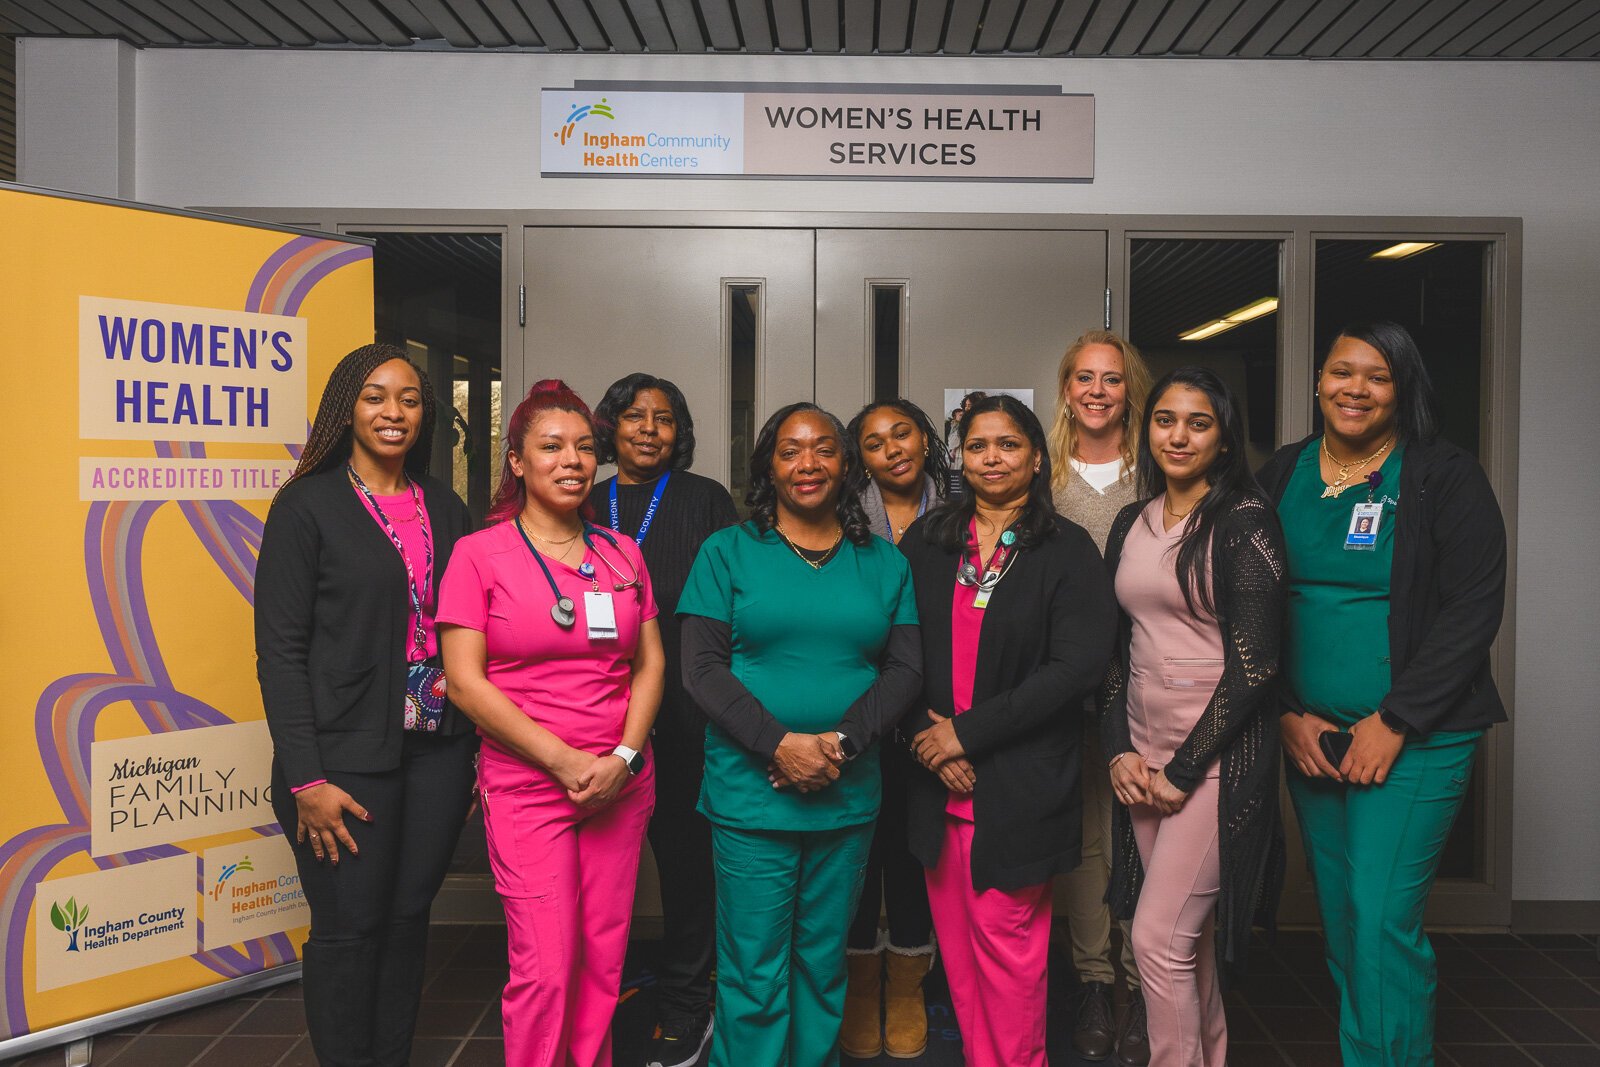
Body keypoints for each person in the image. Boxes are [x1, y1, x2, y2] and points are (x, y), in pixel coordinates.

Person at [1257, 321, 1508, 1066]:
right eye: (1342, 371)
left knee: (1379, 920)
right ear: (1317, 381)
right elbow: (1252, 604)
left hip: (1414, 736)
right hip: (1311, 733)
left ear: (1403, 389)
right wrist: (1285, 714)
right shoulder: (1284, 472)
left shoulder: (1443, 476)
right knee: (1342, 918)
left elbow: (1473, 611)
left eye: (1377, 375)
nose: (1355, 388)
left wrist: (1395, 720)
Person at [678, 402, 922, 1067]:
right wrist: (778, 743)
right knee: (753, 966)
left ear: (847, 464)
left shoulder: (884, 563)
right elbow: (700, 668)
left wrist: (838, 745)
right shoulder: (726, 551)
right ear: (767, 467)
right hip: (751, 792)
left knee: (822, 961)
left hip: (846, 790)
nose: (806, 463)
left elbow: (905, 670)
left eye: (822, 449)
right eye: (789, 450)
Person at [255, 343, 477, 1067]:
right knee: (351, 927)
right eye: (377, 396)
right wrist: (306, 780)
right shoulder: (307, 505)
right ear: (347, 406)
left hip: (438, 749)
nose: (394, 412)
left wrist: (473, 750)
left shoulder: (446, 507)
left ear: (427, 414)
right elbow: (280, 653)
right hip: (342, 759)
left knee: (409, 918)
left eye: (409, 399)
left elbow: (470, 634)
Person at [437, 379, 664, 1067]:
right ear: (517, 461)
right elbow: (466, 683)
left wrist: (622, 758)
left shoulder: (623, 552)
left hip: (620, 783)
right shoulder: (479, 554)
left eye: (584, 448)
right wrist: (566, 763)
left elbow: (651, 665)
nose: (571, 460)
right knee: (546, 963)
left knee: (602, 954)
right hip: (531, 783)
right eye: (551, 446)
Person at [900, 393, 1117, 1067]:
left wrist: (966, 734)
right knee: (960, 958)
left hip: (1017, 784)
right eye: (978, 445)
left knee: (1009, 956)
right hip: (938, 784)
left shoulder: (1067, 548)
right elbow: (889, 652)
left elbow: (1077, 667)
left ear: (1034, 457)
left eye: (1008, 444)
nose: (992, 457)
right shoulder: (929, 540)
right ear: (961, 457)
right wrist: (925, 737)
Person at [1100, 367, 1287, 1067]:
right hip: (1144, 760)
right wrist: (1120, 749)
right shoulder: (1133, 519)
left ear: (1224, 436)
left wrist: (1183, 767)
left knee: (1156, 938)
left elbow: (1257, 666)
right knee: (1187, 942)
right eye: (1165, 420)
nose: (1179, 435)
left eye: (1198, 422)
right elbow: (1114, 648)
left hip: (1213, 763)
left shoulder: (1244, 520)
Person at [589, 373, 738, 1067]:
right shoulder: (583, 499)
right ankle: (591, 996)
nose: (650, 429)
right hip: (589, 715)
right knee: (594, 867)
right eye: (635, 416)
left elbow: (732, 609)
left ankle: (688, 998)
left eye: (665, 418)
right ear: (609, 426)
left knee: (684, 864)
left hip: (685, 715)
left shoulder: (706, 501)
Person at [1045, 328, 1155, 1065]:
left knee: (1147, 840)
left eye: (1110, 379)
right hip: (1064, 695)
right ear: (1065, 389)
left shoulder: (1159, 470)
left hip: (1150, 690)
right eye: (1082, 377)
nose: (1096, 390)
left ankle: (1145, 988)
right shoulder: (1041, 479)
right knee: (1085, 841)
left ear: (1130, 391)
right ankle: (1091, 982)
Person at [838, 398, 949, 1060]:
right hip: (857, 704)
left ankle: (906, 984)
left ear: (925, 439)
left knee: (914, 847)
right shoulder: (842, 513)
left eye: (901, 432)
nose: (892, 449)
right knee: (858, 852)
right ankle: (858, 984)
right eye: (874, 442)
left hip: (936, 706)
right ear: (862, 459)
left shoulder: (964, 509)